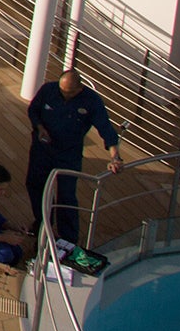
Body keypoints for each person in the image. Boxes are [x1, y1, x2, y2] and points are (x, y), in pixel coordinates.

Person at [26, 68, 121, 244]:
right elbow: (33, 110)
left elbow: (106, 129)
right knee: (35, 185)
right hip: (42, 150)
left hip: (69, 154)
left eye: (68, 92)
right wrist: (39, 127)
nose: (64, 95)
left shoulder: (92, 101)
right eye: (61, 90)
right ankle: (42, 224)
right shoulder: (48, 90)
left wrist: (115, 157)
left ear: (79, 89)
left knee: (66, 195)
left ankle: (68, 238)